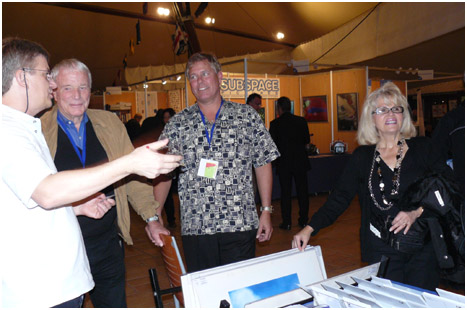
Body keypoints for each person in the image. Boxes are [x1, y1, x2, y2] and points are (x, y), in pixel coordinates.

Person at [1, 38, 181, 308]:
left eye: (83, 87)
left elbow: (21, 204)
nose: (52, 86)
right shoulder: (15, 130)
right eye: (49, 77)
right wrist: (129, 163)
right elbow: (47, 192)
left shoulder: (29, 128)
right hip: (41, 282)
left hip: (95, 250)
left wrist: (76, 207)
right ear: (22, 78)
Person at [292, 82, 451, 291]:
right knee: (387, 302)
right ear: (372, 118)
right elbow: (340, 198)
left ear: (403, 115)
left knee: (420, 301)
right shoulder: (362, 158)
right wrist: (310, 228)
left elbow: (448, 185)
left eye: (396, 108)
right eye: (382, 110)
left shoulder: (423, 148)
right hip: (381, 248)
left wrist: (416, 212)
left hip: (422, 248)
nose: (390, 114)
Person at [40, 59, 172, 308]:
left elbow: (132, 176)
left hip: (107, 245)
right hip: (61, 249)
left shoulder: (109, 123)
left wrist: (152, 219)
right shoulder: (39, 130)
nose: (77, 96)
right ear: (53, 90)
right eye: (68, 88)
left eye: (83, 87)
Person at [153, 52, 280, 273]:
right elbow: (163, 172)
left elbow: (262, 163)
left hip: (239, 222)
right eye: (193, 77)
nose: (199, 81)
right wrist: (155, 215)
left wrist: (266, 210)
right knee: (205, 295)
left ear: (219, 77)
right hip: (196, 226)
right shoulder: (178, 124)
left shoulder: (246, 117)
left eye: (205, 74)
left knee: (239, 292)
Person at [269, 96, 311, 229]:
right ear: (290, 107)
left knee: (285, 193)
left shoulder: (275, 124)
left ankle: (286, 222)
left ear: (279, 108)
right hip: (300, 161)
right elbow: (306, 140)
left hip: (284, 163)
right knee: (302, 192)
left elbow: (272, 144)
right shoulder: (301, 121)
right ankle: (303, 219)